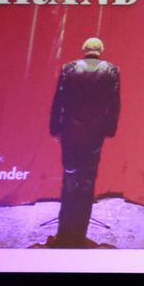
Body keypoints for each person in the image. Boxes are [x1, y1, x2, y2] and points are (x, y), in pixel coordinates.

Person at [48, 36, 120, 247]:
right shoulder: (112, 71)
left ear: (84, 49)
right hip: (95, 133)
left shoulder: (69, 68)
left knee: (69, 180)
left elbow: (59, 100)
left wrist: (55, 127)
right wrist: (110, 129)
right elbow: (114, 104)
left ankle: (63, 236)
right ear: (101, 50)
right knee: (87, 183)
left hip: (70, 131)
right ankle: (79, 236)